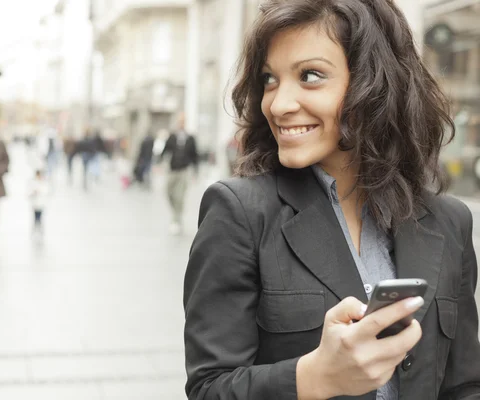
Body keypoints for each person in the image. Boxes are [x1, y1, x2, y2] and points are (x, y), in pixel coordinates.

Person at [183, 1, 480, 399]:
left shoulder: (449, 221)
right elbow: (210, 388)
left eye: (310, 76)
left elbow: (464, 385)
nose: (278, 104)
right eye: (270, 79)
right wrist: (313, 376)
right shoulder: (238, 212)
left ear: (373, 84)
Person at [160, 114, 199, 235]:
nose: (181, 124)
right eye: (179, 122)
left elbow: (194, 155)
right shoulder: (172, 136)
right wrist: (159, 162)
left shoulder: (190, 138)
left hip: (184, 170)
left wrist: (196, 171)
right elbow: (165, 150)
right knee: (168, 192)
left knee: (179, 196)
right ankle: (175, 212)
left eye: (183, 122)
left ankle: (176, 220)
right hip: (172, 170)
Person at [29, 169, 49, 235]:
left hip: (41, 204)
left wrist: (40, 192)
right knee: (35, 217)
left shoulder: (44, 183)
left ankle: (39, 228)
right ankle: (35, 228)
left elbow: (46, 192)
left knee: (40, 217)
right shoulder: (33, 182)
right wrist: (33, 193)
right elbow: (29, 192)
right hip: (35, 204)